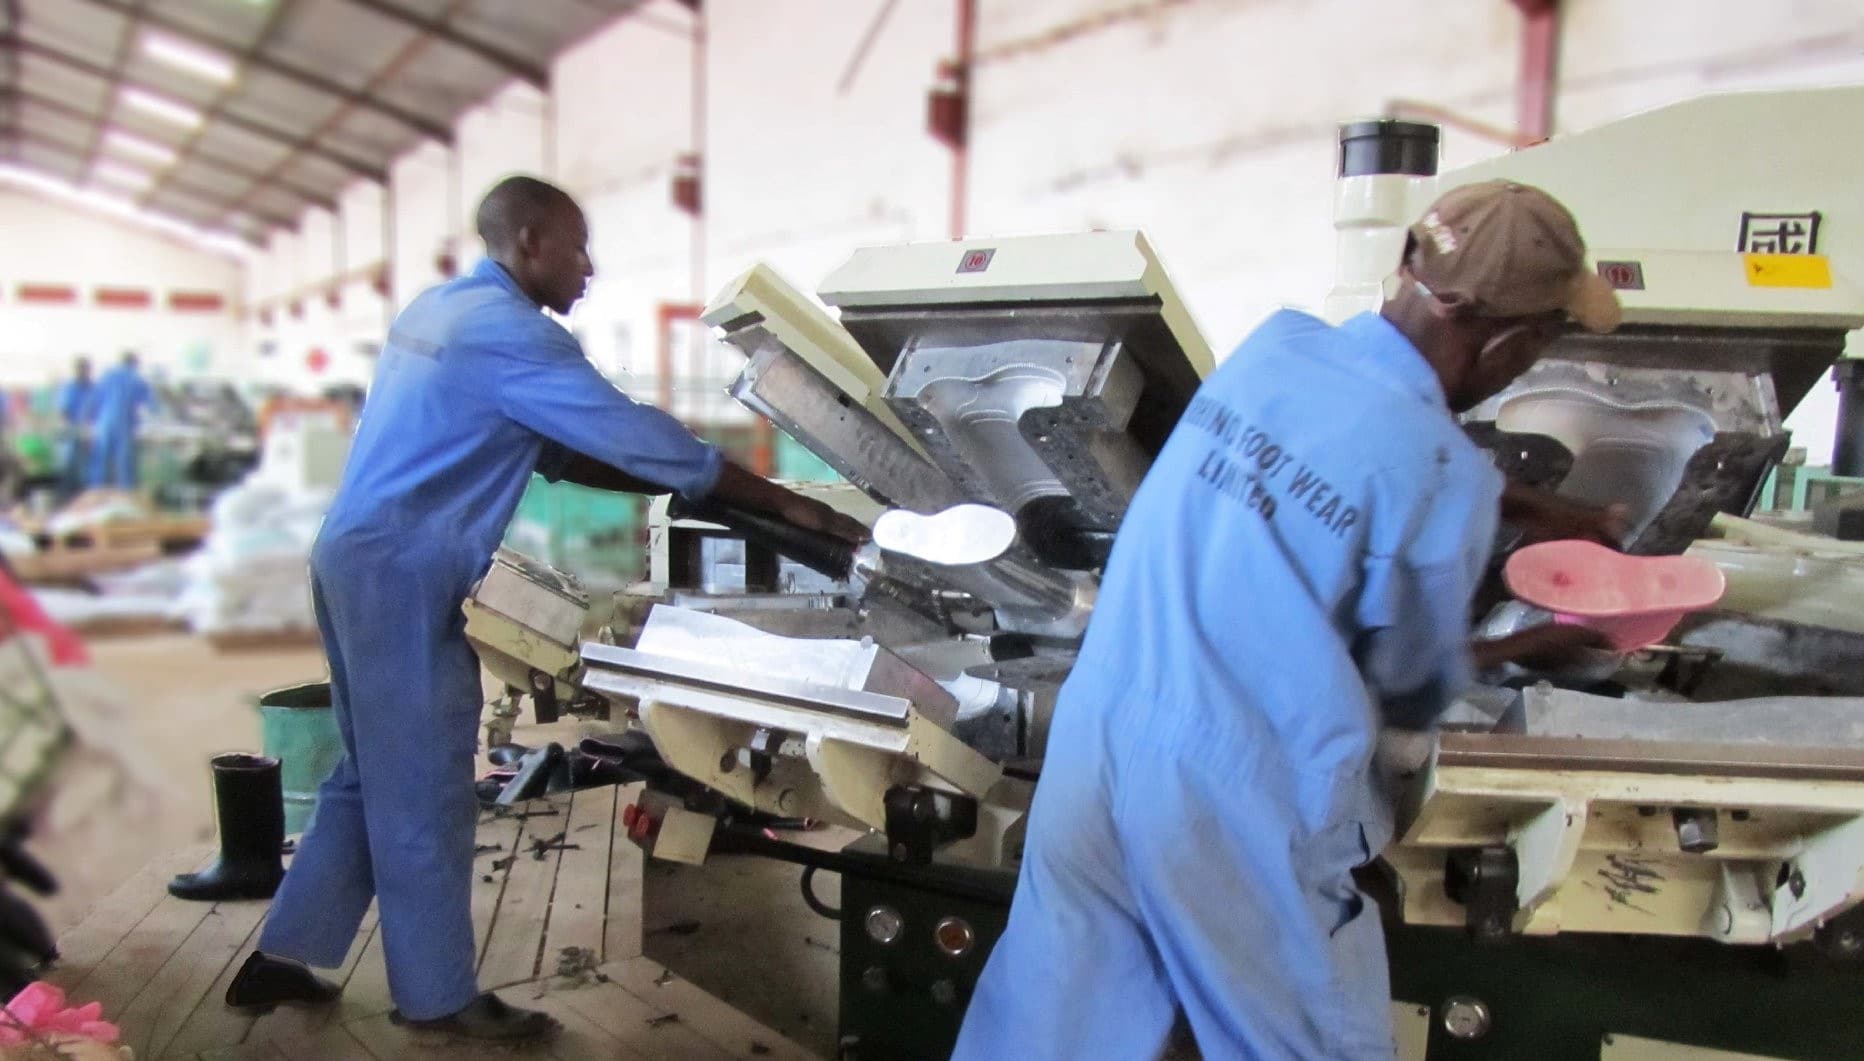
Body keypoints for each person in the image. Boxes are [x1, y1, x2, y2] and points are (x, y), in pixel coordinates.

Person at [952, 180, 1624, 1060]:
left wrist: (1520, 504)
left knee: (1057, 1028)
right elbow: (1412, 685)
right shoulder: (1441, 479)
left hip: (1100, 742)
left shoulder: (1277, 349)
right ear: (1511, 343)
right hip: (1232, 798)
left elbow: (1332, 459)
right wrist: (1525, 643)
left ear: (1405, 266)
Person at [221, 176, 866, 1041]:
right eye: (577, 245)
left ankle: (284, 957)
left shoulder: (444, 310)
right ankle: (438, 995)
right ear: (529, 241)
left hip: (354, 557)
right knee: (424, 790)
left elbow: (567, 453)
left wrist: (717, 491)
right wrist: (789, 507)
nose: (589, 266)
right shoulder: (513, 336)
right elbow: (632, 434)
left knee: (372, 772)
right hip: (404, 575)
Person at [85, 352, 154, 489]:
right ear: (134, 363)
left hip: (104, 424)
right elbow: (151, 404)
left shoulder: (107, 376)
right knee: (125, 465)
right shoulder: (136, 379)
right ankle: (126, 496)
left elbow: (92, 401)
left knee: (100, 461)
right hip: (124, 425)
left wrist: (88, 421)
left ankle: (96, 492)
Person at [55, 358, 95, 500]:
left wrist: (90, 428)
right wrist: (72, 427)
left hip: (90, 432)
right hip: (72, 431)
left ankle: (85, 497)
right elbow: (63, 412)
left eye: (86, 369)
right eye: (81, 369)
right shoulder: (69, 388)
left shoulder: (93, 388)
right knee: (69, 467)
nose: (84, 372)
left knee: (87, 470)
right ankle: (66, 498)